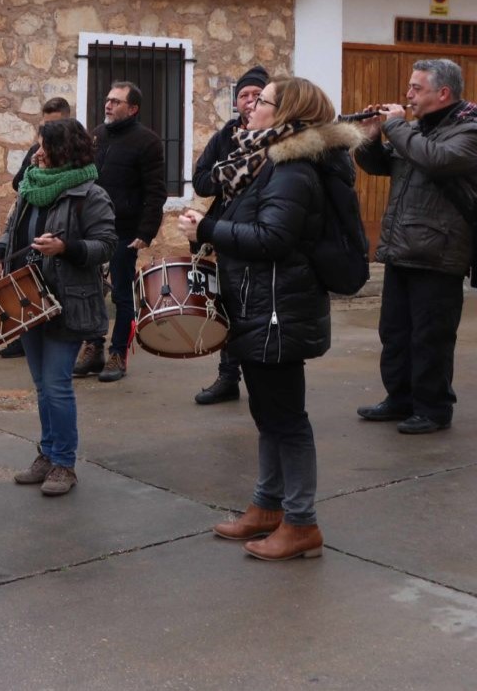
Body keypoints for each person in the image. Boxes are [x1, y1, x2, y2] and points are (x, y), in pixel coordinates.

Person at [178, 76, 365, 560]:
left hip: (279, 310)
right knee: (269, 414)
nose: (251, 107)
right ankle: (267, 507)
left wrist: (210, 227)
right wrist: (208, 230)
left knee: (287, 420)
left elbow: (272, 238)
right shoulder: (262, 161)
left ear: (284, 116)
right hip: (258, 304)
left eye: (261, 101)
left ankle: (301, 523)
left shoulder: (292, 169)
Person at [0, 119, 117, 496]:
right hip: (26, 299)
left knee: (57, 385)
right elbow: (11, 232)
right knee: (42, 386)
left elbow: (106, 244)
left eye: (45, 146)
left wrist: (67, 248)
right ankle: (46, 452)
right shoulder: (28, 188)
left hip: (66, 302)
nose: (37, 152)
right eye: (37, 145)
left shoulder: (91, 194)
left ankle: (64, 463)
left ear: (65, 150)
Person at [354, 59, 477, 435]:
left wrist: (395, 126)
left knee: (431, 337)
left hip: (439, 253)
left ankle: (434, 408)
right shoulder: (418, 130)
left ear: (443, 93)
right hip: (402, 247)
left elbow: (436, 161)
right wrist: (372, 136)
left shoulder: (468, 130)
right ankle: (400, 398)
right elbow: (379, 165)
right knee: (395, 332)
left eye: (416, 89)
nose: (408, 95)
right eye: (409, 88)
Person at [73, 82, 166, 383]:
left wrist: (146, 231)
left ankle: (118, 354)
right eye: (108, 99)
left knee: (122, 295)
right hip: (90, 229)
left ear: (133, 108)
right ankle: (94, 348)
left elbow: (156, 192)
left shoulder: (148, 142)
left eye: (116, 101)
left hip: (125, 230)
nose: (108, 105)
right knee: (89, 292)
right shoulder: (96, 136)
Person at [190, 65, 269, 405]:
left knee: (256, 308)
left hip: (260, 231)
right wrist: (231, 175)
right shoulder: (225, 137)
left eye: (256, 95)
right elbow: (201, 179)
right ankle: (227, 377)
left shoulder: (277, 137)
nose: (249, 101)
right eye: (243, 95)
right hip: (226, 229)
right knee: (227, 304)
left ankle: (262, 376)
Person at [0, 96, 72, 359]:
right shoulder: (36, 151)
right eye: (45, 125)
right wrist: (34, 171)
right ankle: (23, 334)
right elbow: (18, 183)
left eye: (53, 125)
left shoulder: (74, 158)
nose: (47, 133)